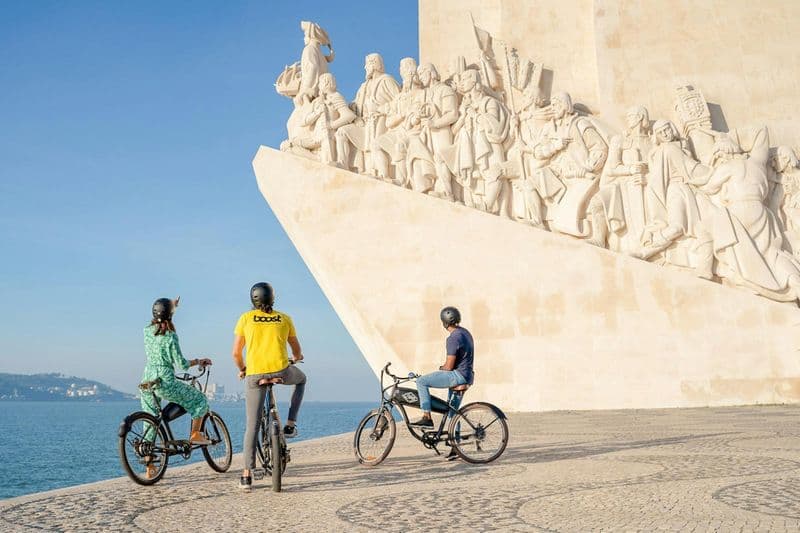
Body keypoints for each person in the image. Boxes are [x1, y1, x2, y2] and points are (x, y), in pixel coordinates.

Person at [233, 282, 307, 492]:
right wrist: (297, 358)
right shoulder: (285, 318)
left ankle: (247, 475)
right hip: (281, 371)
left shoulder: (246, 318)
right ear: (273, 298)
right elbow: (296, 350)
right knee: (301, 380)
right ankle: (291, 423)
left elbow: (236, 354)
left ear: (252, 300)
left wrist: (242, 369)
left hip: (255, 375)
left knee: (252, 425)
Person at [140, 297, 212, 478]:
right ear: (170, 315)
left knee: (150, 422)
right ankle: (195, 433)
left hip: (147, 379)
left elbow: (160, 320)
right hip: (165, 380)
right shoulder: (171, 337)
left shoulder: (147, 331)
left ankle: (150, 467)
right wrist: (198, 361)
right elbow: (182, 364)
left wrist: (172, 308)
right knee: (200, 400)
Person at [411, 306, 474, 431]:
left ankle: (426, 417)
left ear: (444, 322)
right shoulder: (465, 332)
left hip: (458, 375)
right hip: (468, 375)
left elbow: (449, 366)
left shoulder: (453, 338)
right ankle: (456, 446)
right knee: (452, 413)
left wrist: (441, 367)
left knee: (421, 381)